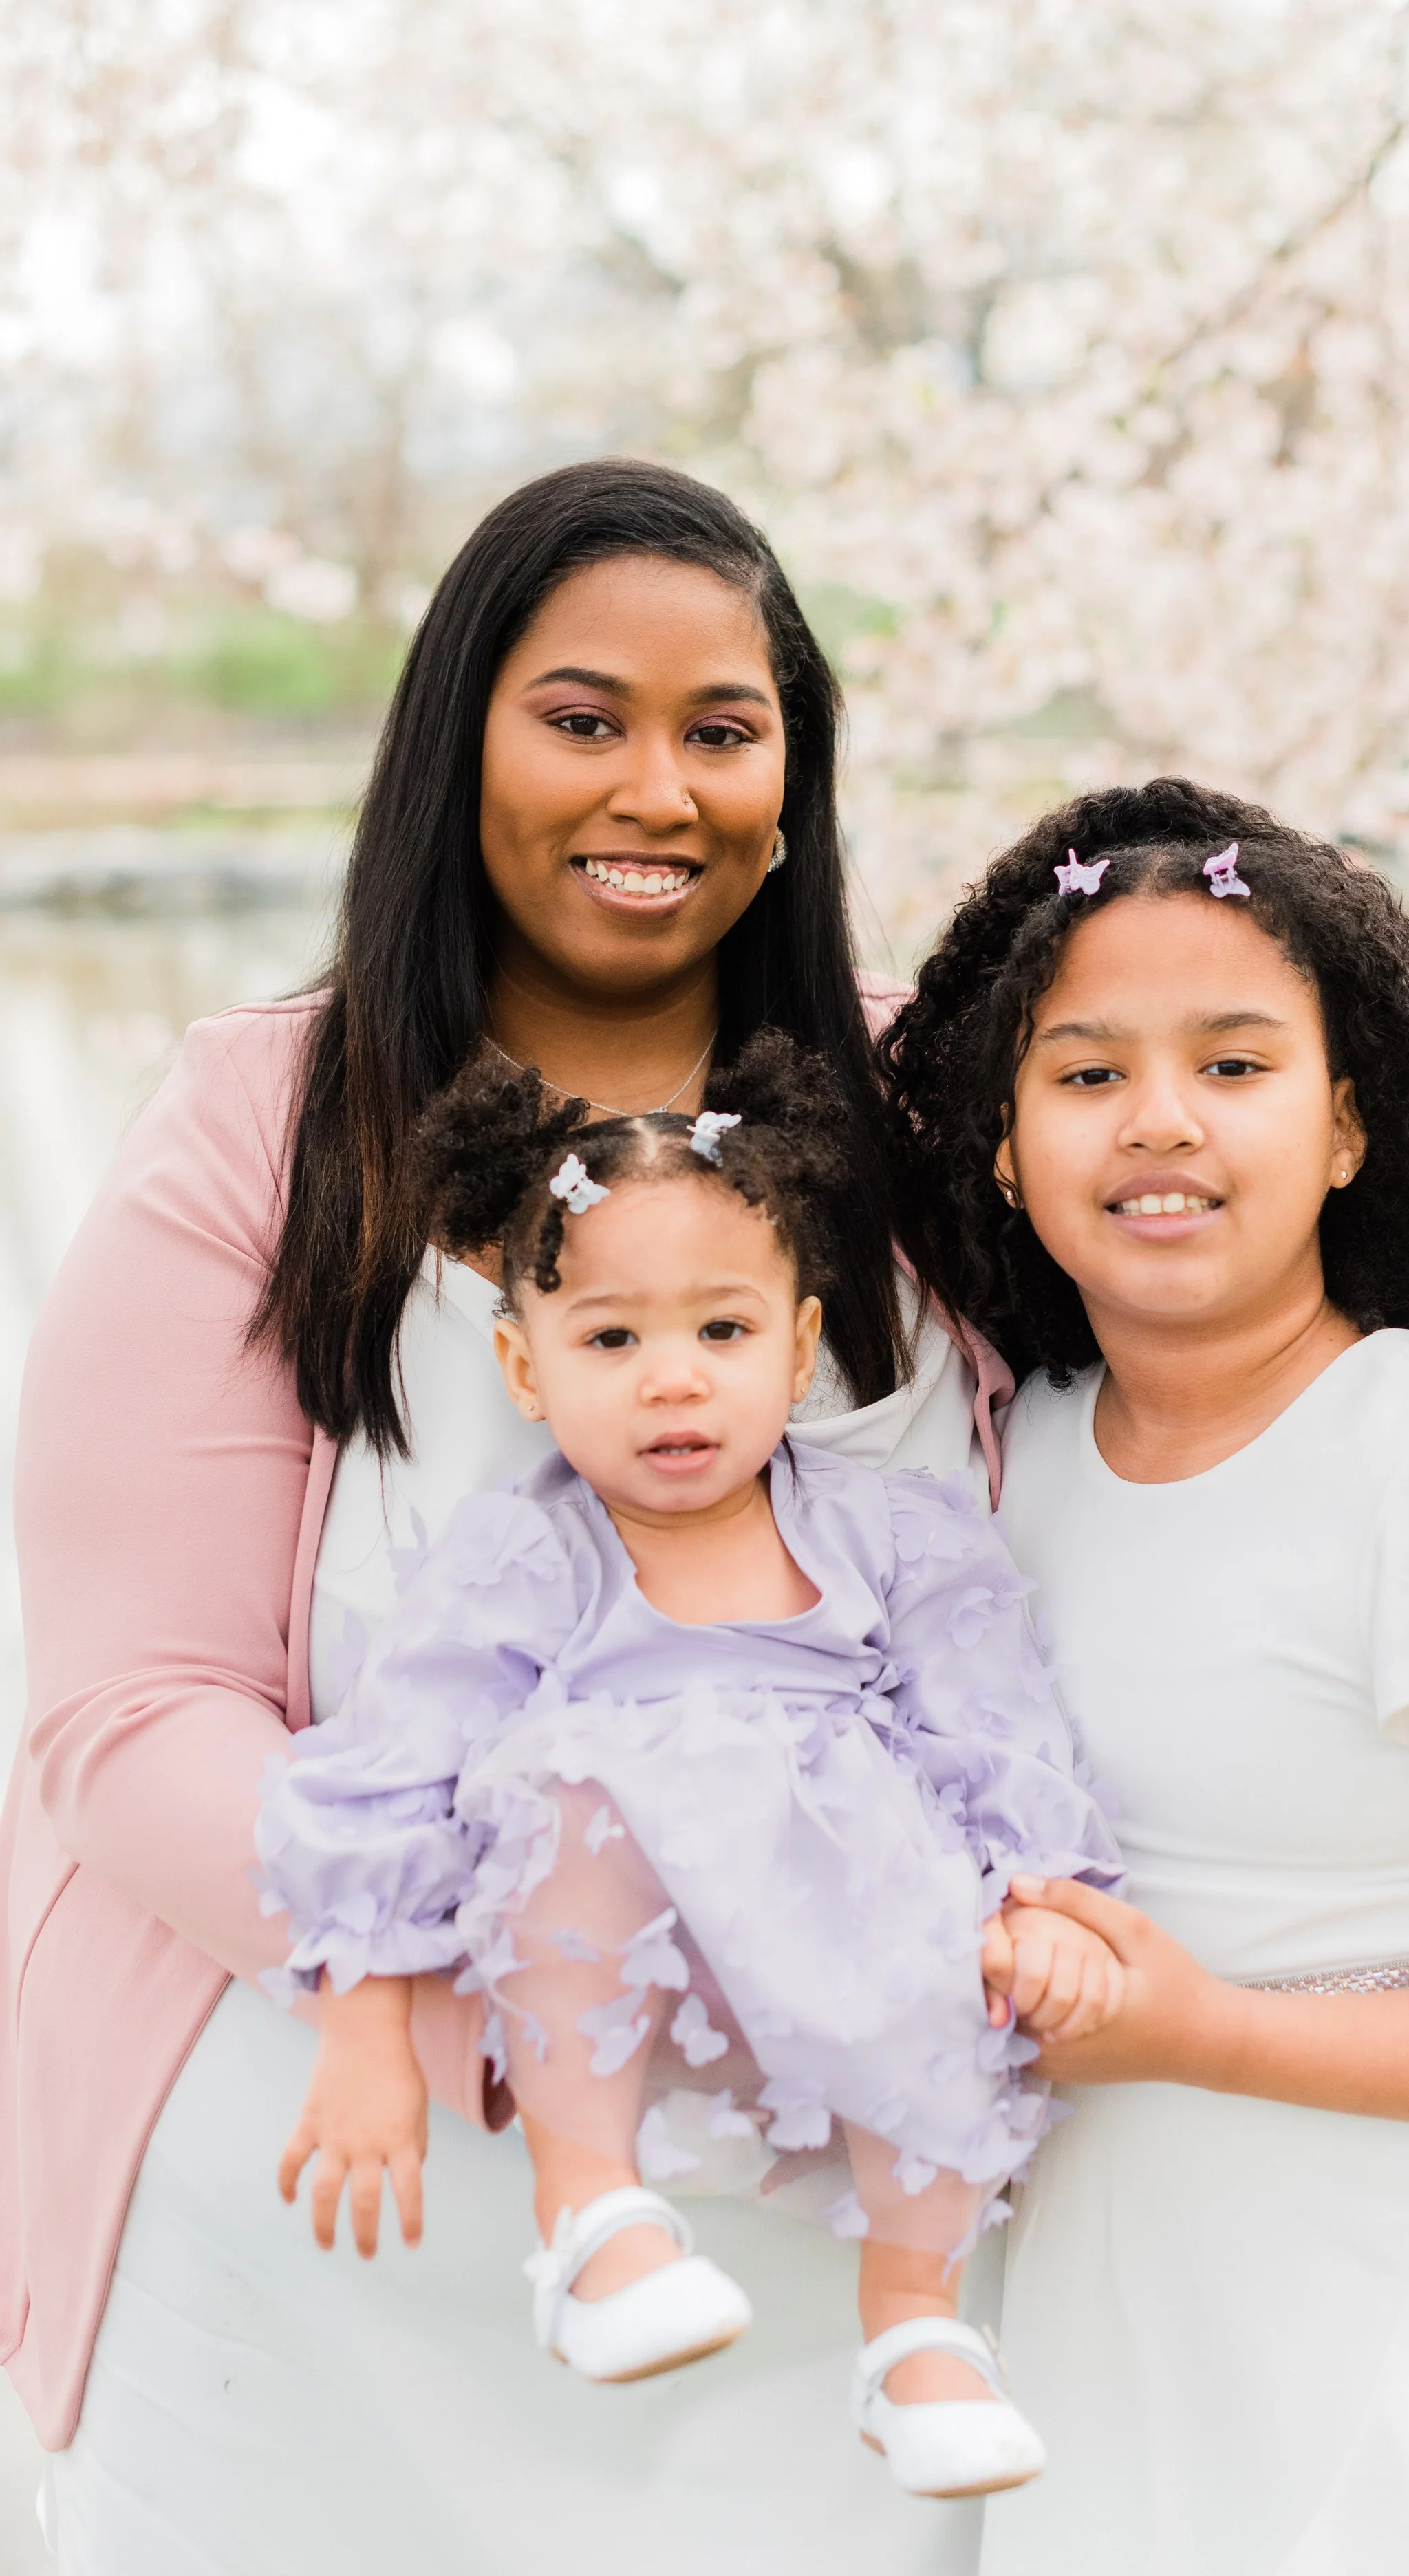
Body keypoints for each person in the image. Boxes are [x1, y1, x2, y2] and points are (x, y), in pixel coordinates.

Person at [3, 459, 1011, 2576]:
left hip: (846, 2248)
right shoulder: (270, 1122)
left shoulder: (928, 1113)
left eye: (721, 730)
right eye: (580, 719)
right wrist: (532, 2003)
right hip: (343, 2190)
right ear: (456, 740)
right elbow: (133, 1709)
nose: (656, 789)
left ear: (794, 779)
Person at [883, 776, 1409, 2573]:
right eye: (1085, 1072)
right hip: (1120, 2290)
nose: (1158, 1119)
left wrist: (1214, 2034)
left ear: (1346, 1127)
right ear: (1001, 1144)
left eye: (1233, 1064)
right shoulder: (1005, 1457)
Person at [257, 1042, 1123, 2500]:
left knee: (942, 1930)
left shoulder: (889, 1537)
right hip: (627, 1963)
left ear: (798, 1346)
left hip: (854, 1934)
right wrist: (364, 2028)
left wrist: (1045, 1904)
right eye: (610, 1341)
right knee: (569, 1789)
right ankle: (591, 2219)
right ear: (524, 1368)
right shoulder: (527, 1557)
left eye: (722, 1331)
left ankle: (916, 2328)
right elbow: (398, 1763)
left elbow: (995, 1731)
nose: (674, 1380)